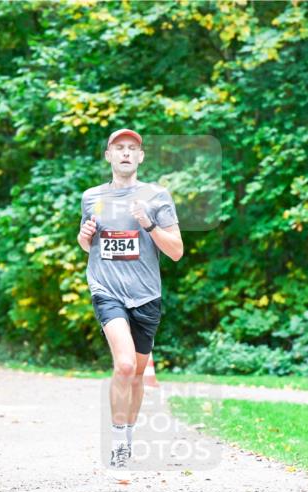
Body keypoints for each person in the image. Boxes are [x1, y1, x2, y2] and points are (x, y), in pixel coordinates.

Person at [77, 128, 184, 469]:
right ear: (108, 156)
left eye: (131, 149)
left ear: (141, 157)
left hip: (146, 295)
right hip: (107, 289)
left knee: (137, 374)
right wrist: (85, 237)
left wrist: (149, 226)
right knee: (123, 365)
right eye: (118, 148)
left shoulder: (156, 197)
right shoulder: (92, 197)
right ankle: (118, 440)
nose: (125, 153)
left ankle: (128, 433)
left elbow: (177, 252)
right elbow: (87, 244)